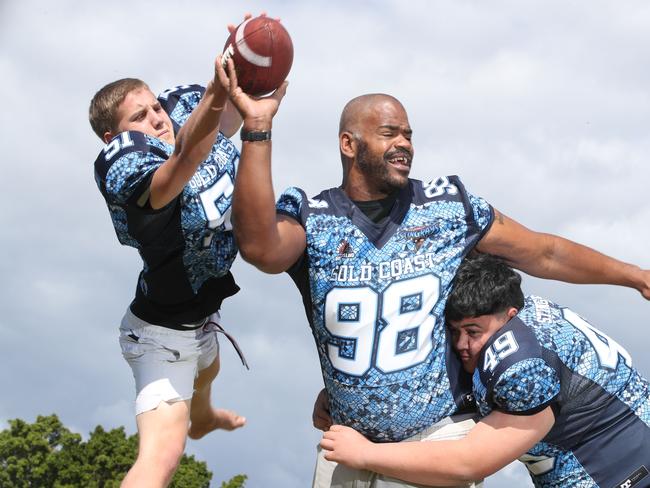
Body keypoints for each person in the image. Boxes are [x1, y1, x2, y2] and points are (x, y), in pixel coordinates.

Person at [216, 58, 650, 488]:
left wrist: (633, 275)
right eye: (389, 133)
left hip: (436, 441)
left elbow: (545, 253)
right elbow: (259, 249)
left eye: (408, 133)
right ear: (349, 144)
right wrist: (257, 129)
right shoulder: (313, 215)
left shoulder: (447, 207)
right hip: (346, 442)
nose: (404, 142)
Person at [320, 253, 650, 488]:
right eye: (455, 332)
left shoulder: (520, 361)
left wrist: (366, 454)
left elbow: (469, 462)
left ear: (507, 316)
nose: (463, 344)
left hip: (618, 473)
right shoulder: (527, 312)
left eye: (474, 332)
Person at [89, 46, 248, 486]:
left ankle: (203, 416)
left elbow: (229, 121)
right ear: (115, 136)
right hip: (160, 335)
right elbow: (179, 166)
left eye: (155, 106)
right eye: (138, 117)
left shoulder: (182, 110)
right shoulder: (124, 163)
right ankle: (195, 419)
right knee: (162, 456)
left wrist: (251, 68)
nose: (157, 118)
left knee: (210, 366)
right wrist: (215, 96)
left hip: (202, 312)